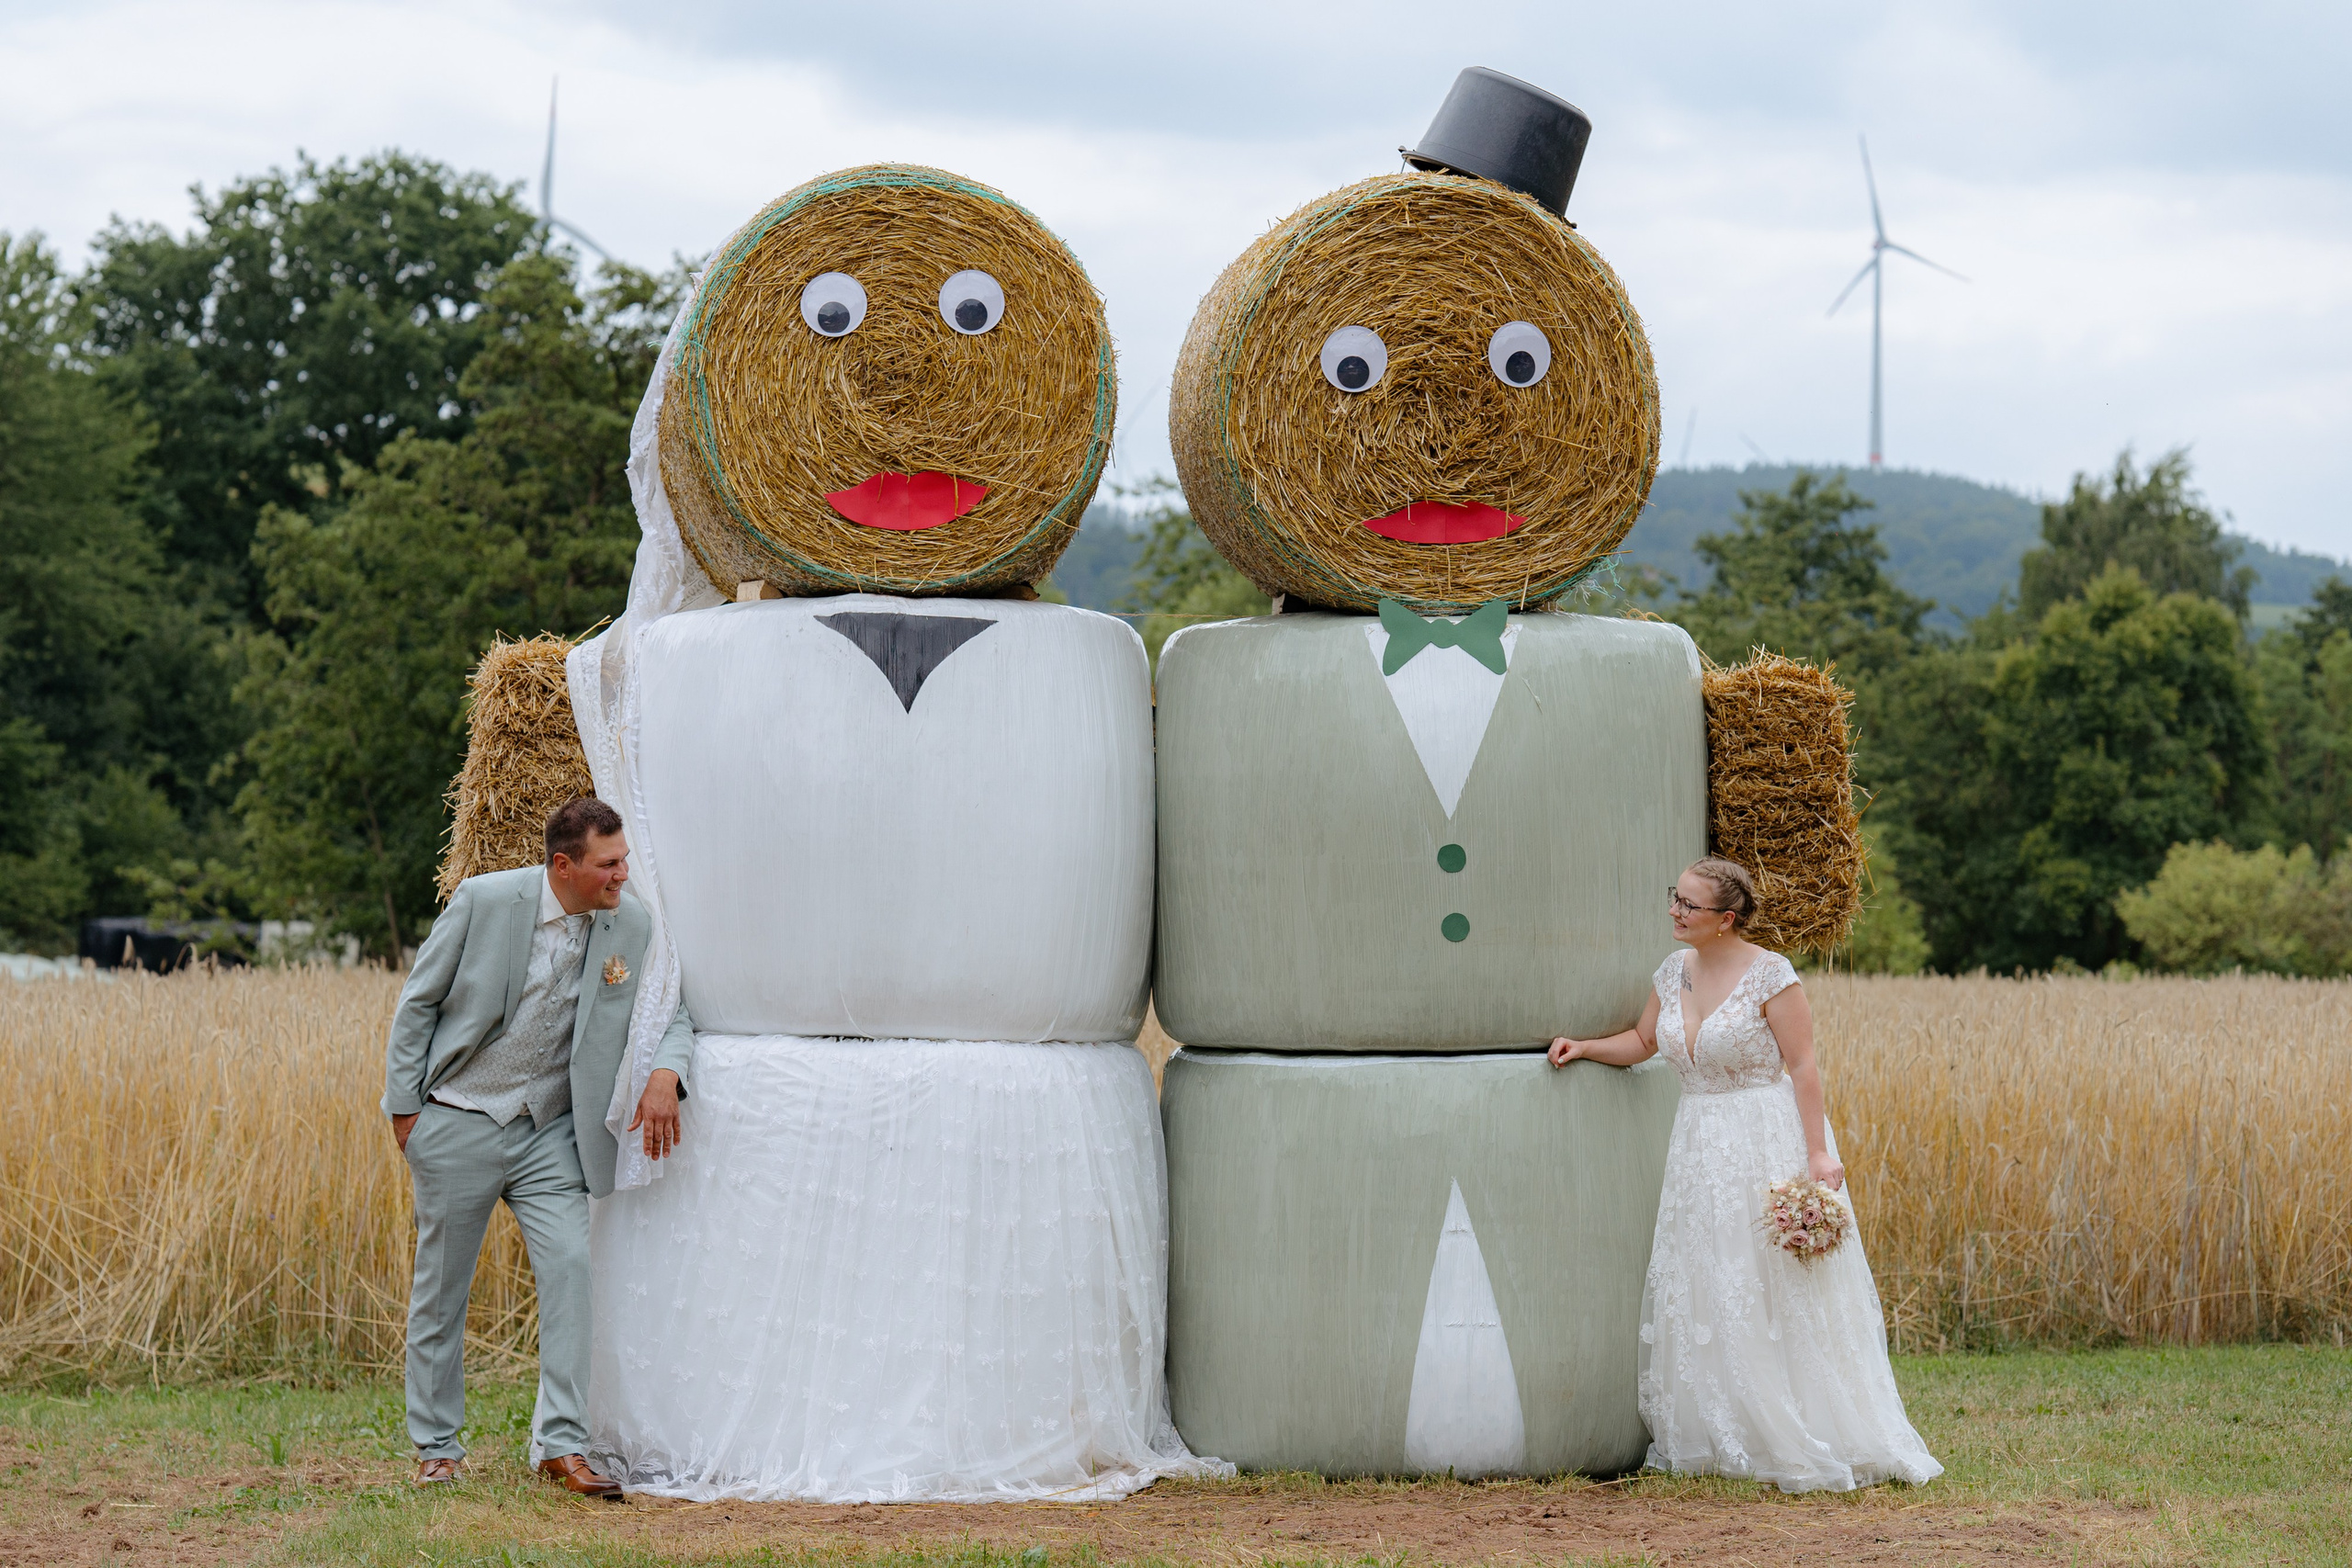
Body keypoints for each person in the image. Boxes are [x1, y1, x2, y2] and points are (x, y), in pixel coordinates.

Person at [1547, 856, 1940, 1493]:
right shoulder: (1671, 970)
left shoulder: (1772, 975)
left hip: (1765, 1137)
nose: (1674, 910)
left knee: (1774, 1279)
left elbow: (1803, 1065)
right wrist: (1587, 1047)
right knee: (1713, 1277)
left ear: (1726, 919)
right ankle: (1724, 1426)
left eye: (1688, 904)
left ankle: (1808, 1424)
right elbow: (1645, 1040)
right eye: (1673, 896)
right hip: (1699, 1144)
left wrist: (1818, 1155)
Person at [384, 796, 695, 1494]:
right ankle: (438, 1445)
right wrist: (407, 1112)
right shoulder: (484, 901)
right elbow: (419, 1002)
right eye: (609, 863)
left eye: (623, 859)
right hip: (458, 1118)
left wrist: (667, 1072)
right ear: (564, 865)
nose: (623, 873)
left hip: (552, 1133)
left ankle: (561, 1443)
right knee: (442, 1290)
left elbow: (670, 1005)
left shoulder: (631, 924)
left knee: (570, 1273)